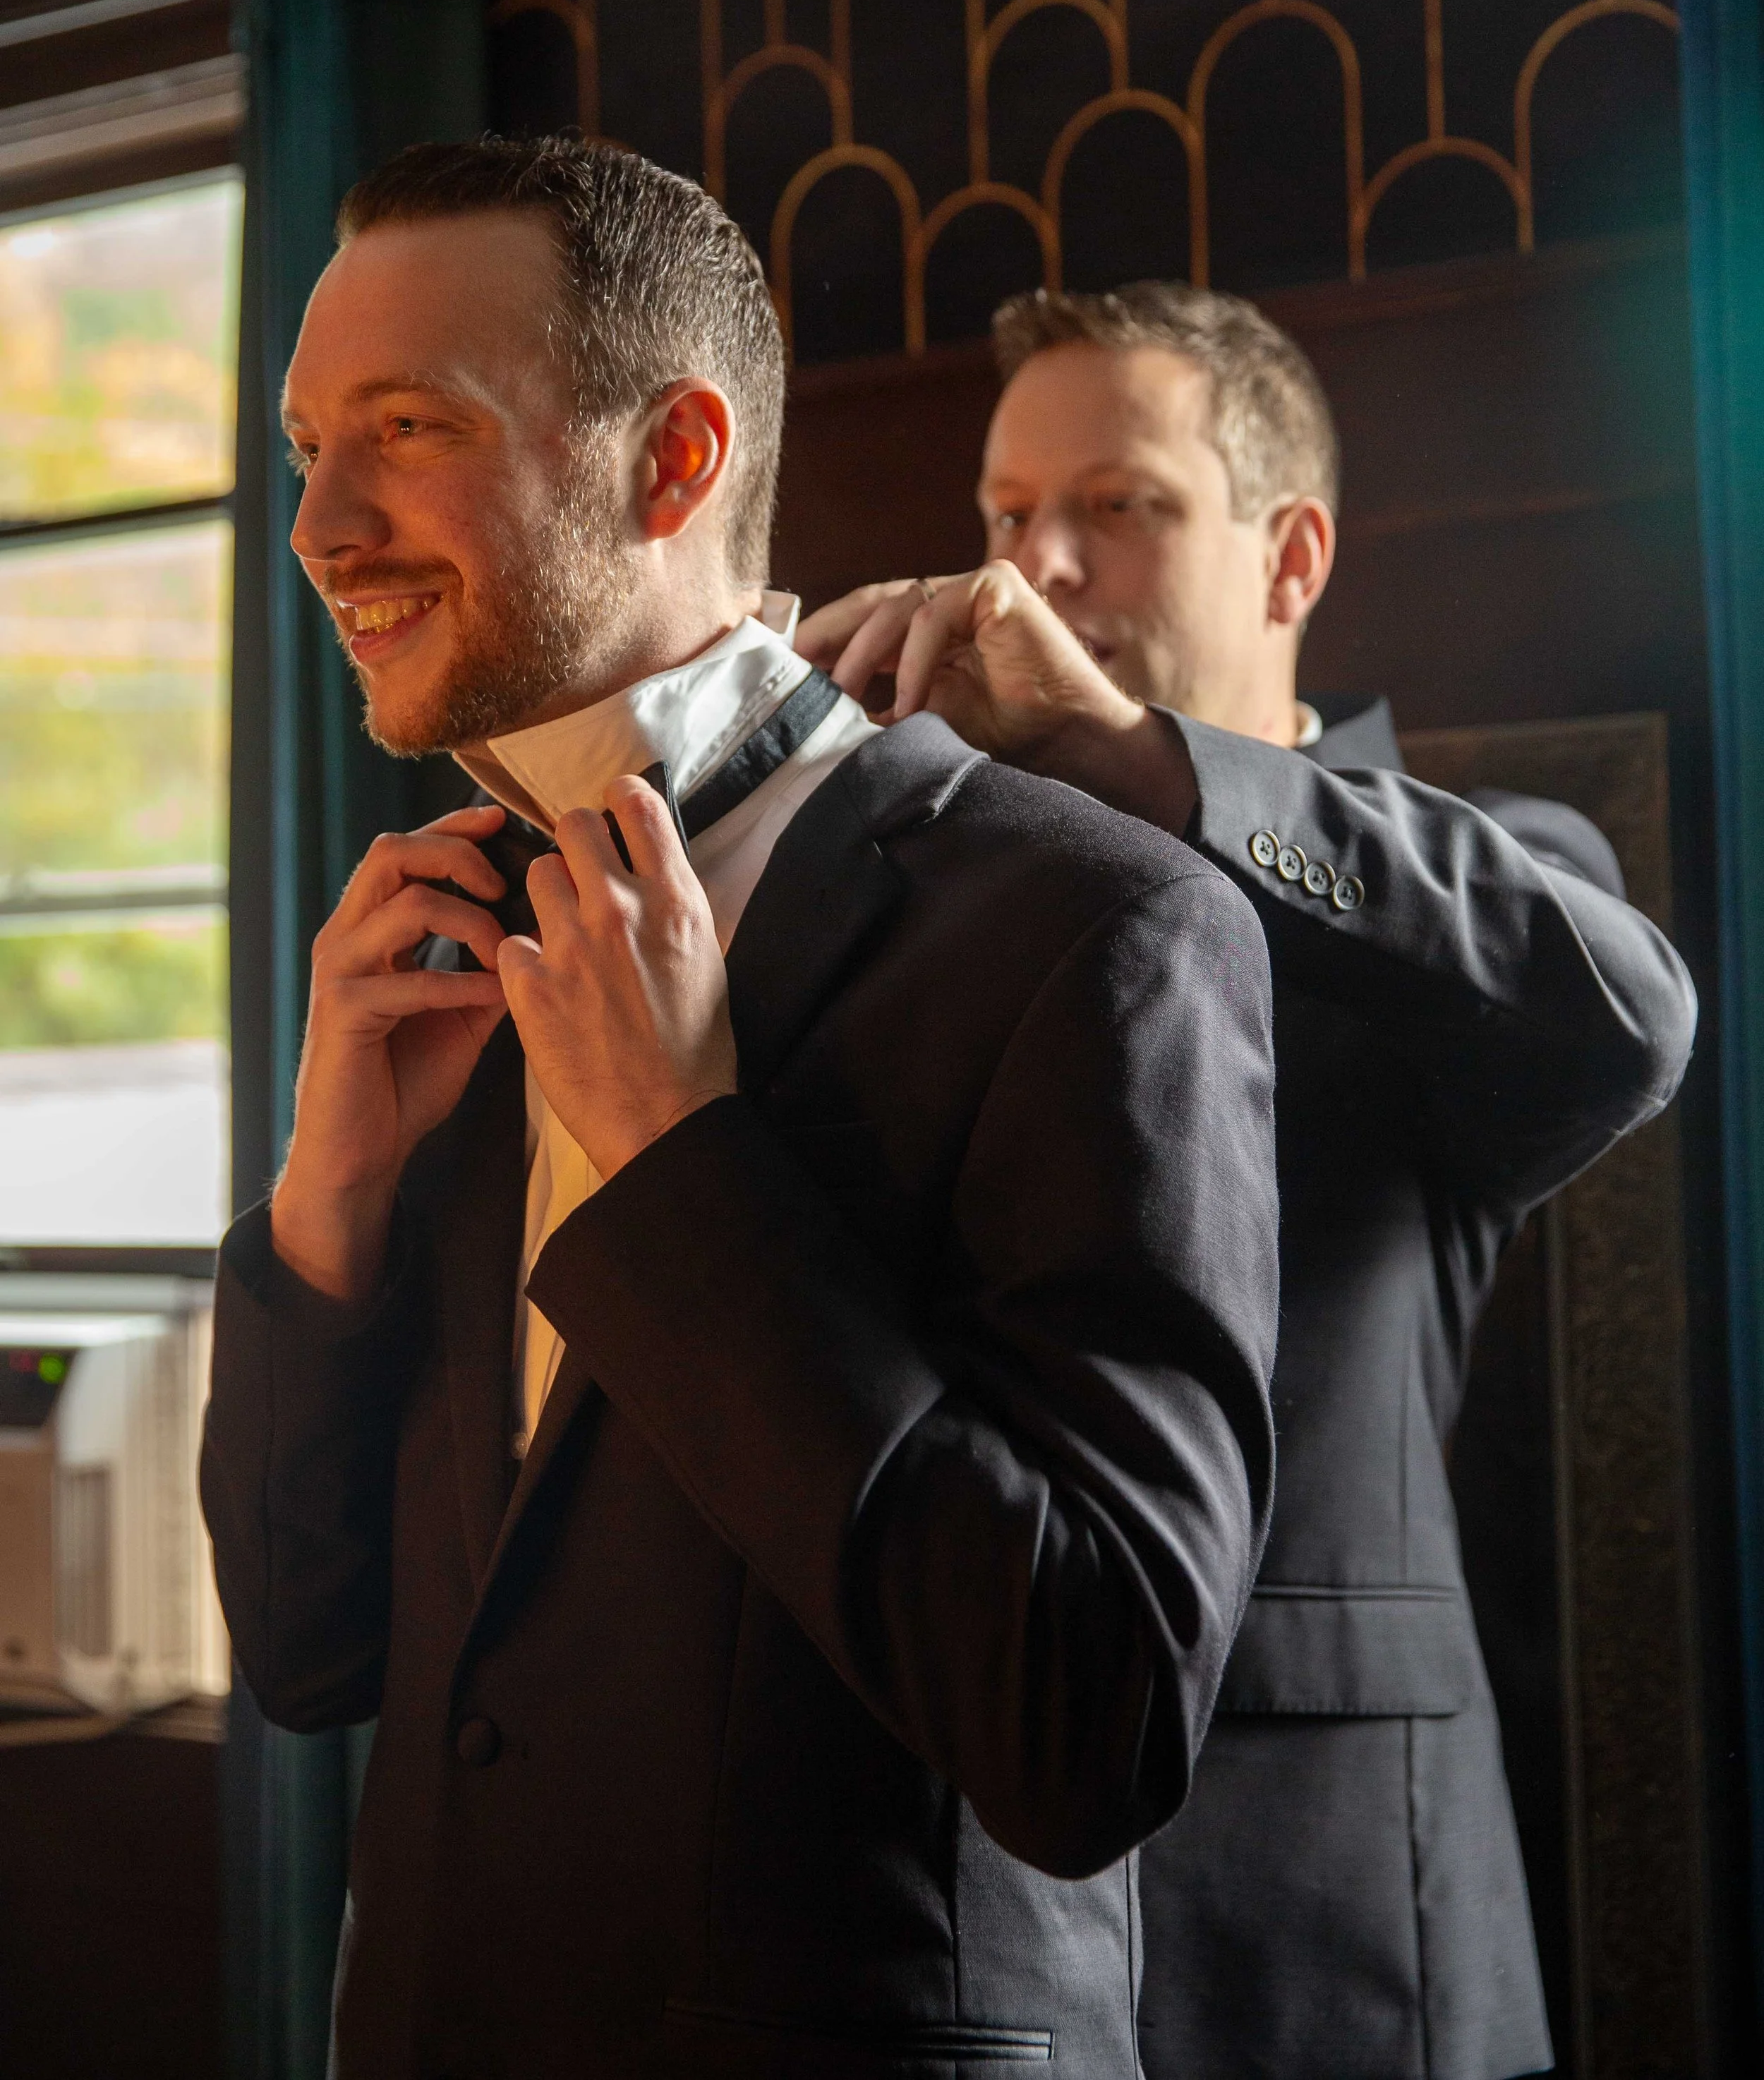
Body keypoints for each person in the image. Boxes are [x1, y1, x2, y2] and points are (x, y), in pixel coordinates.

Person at [200, 145, 1283, 2080]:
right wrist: (325, 1201)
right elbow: (310, 1650)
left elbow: (1089, 1719)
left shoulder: (1097, 929)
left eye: (405, 426)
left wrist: (684, 1166)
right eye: (302, 445)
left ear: (673, 459)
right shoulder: (448, 936)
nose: (320, 523)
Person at [801, 279, 1698, 2080]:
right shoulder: (940, 894)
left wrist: (1134, 766)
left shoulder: (1493, 875)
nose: (1041, 561)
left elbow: (1626, 1011)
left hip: (1340, 1917)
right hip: (960, 1905)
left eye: (1120, 505)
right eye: (1003, 514)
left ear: (1288, 559)